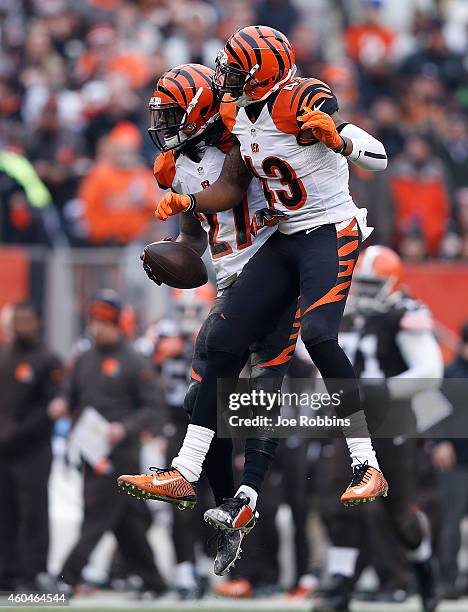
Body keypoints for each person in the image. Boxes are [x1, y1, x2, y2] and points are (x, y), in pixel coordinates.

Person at [136, 26, 390, 514]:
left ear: (262, 71)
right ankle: (186, 474)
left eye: (234, 66)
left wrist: (341, 141)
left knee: (319, 338)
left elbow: (377, 155)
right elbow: (230, 186)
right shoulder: (236, 118)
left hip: (329, 228)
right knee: (223, 344)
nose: (224, 75)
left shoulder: (300, 98)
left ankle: (367, 462)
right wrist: (186, 202)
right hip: (288, 237)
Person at [118, 64, 300, 575]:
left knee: (262, 382)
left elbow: (232, 193)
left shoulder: (242, 136)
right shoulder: (177, 163)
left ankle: (243, 492)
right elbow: (195, 238)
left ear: (200, 110)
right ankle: (228, 504)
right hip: (231, 278)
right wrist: (174, 255)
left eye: (174, 113)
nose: (164, 123)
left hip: (275, 264)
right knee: (204, 396)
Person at [318, 246, 442, 612]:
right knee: (336, 501)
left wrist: (380, 390)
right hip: (353, 421)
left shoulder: (405, 314)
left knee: (399, 514)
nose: (367, 293)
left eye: (375, 285)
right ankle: (340, 586)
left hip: (394, 422)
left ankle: (424, 571)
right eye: (364, 284)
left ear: (394, 284)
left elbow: (429, 373)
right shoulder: (347, 313)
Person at [52, 290, 166, 596]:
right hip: (90, 450)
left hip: (120, 453)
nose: (97, 328)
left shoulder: (134, 361)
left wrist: (123, 428)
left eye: (104, 322)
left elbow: (153, 408)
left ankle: (66, 576)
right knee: (126, 522)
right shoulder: (83, 360)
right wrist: (62, 403)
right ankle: (154, 581)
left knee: (98, 515)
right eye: (94, 321)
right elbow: (68, 393)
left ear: (118, 324)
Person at [0, 301, 63, 592]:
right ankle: (6, 572)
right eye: (17, 319)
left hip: (33, 450)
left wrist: (17, 430)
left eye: (26, 319)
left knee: (33, 513)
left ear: (37, 322)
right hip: (4, 452)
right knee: (5, 511)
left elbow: (48, 409)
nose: (20, 325)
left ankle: (32, 572)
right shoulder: (4, 356)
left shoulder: (47, 360)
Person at [432, 321, 468, 598]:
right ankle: (448, 580)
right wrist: (439, 442)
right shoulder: (448, 374)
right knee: (451, 522)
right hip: (456, 461)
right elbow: (432, 414)